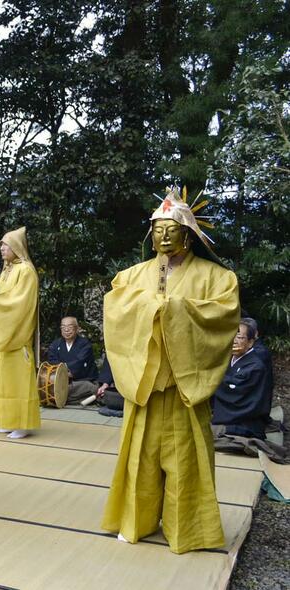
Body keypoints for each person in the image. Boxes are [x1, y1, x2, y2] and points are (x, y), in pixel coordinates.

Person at [101, 186, 240, 554]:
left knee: (185, 464)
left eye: (171, 229)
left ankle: (187, 528)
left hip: (184, 387)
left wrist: (174, 309)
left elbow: (221, 316)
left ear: (189, 234)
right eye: (157, 229)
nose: (163, 235)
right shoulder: (130, 276)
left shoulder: (217, 279)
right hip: (146, 384)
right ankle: (136, 520)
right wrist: (149, 306)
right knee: (140, 462)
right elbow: (116, 309)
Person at [0, 227, 40, 439]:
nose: (1, 248)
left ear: (17, 247)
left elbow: (19, 303)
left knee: (17, 382)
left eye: (5, 244)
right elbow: (2, 297)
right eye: (1, 244)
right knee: (3, 382)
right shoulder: (6, 270)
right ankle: (6, 420)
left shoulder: (26, 271)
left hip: (17, 333)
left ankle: (21, 424)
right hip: (3, 333)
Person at [211, 319, 272, 440]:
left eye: (239, 337)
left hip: (245, 422)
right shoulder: (229, 358)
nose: (234, 341)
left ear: (250, 342)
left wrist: (210, 378)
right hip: (230, 418)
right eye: (231, 336)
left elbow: (232, 390)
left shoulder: (255, 367)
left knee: (203, 432)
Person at [46, 316, 99, 404]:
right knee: (54, 388)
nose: (66, 330)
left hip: (81, 380)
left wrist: (64, 371)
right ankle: (74, 398)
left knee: (87, 386)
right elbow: (52, 360)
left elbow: (80, 362)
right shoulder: (55, 344)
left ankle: (62, 397)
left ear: (77, 329)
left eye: (70, 327)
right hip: (61, 381)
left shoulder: (85, 344)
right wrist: (62, 373)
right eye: (63, 327)